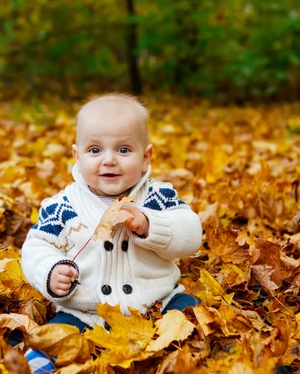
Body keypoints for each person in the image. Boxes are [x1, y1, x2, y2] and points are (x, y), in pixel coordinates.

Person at [21, 93, 202, 354]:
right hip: (86, 313)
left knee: (194, 319)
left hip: (158, 303)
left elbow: (191, 234)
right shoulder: (62, 205)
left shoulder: (157, 197)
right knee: (52, 343)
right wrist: (50, 272)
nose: (109, 160)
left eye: (123, 150)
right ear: (77, 155)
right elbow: (37, 246)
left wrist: (151, 225)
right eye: (95, 150)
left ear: (146, 157)